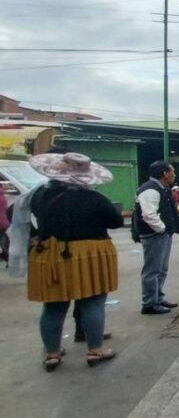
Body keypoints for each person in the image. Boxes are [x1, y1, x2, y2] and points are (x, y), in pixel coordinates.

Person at [26, 152, 122, 371]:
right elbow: (115, 221)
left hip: (50, 253)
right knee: (92, 303)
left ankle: (52, 353)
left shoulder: (40, 194)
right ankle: (95, 350)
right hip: (89, 253)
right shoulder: (95, 198)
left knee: (53, 305)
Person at [133, 160, 179, 315]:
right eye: (172, 171)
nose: (174, 175)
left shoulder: (162, 188)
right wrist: (162, 229)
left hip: (162, 234)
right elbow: (149, 215)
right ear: (164, 173)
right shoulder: (150, 190)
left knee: (161, 268)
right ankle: (149, 303)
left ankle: (158, 297)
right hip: (154, 234)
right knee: (152, 269)